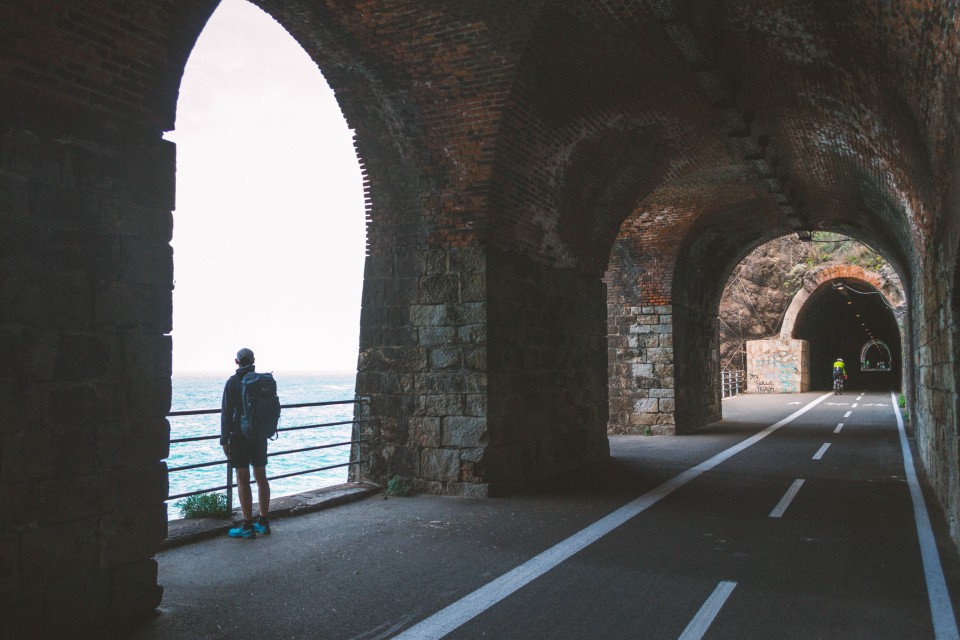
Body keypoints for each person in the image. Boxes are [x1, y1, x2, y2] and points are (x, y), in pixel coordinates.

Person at [221, 347, 272, 539]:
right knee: (261, 478)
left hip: (238, 436)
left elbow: (226, 414)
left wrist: (224, 440)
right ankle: (264, 522)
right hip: (259, 435)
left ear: (237, 362)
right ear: (253, 360)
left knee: (243, 479)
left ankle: (248, 525)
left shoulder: (232, 382)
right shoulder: (261, 381)